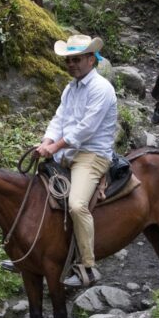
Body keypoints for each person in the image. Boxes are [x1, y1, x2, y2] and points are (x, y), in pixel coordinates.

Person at [36, 34, 118, 289]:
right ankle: (38, 254)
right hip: (69, 153)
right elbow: (59, 120)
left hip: (92, 155)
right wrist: (46, 141)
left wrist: (55, 147)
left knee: (77, 205)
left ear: (91, 60)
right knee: (37, 193)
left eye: (77, 59)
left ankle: (88, 266)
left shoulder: (101, 88)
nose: (71, 64)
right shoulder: (70, 89)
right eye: (68, 60)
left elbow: (85, 129)